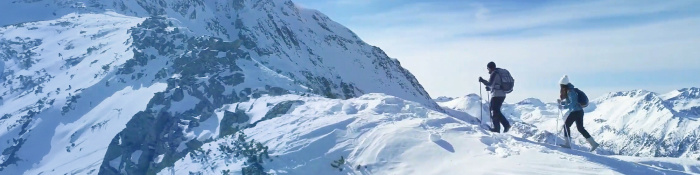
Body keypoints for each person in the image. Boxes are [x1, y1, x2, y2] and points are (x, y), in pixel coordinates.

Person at [557, 75, 600, 151]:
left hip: (575, 112)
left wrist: (563, 107)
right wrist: (562, 103)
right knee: (580, 128)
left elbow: (572, 104)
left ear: (563, 85)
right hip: (579, 112)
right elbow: (569, 102)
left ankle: (567, 144)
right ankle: (593, 144)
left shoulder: (571, 92)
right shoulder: (570, 90)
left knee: (566, 126)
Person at [479, 62, 511, 133]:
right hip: (502, 94)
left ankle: (498, 128)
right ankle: (504, 126)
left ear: (490, 67)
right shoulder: (499, 72)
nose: (488, 71)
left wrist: (482, 80)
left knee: (494, 111)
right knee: (496, 110)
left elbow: (490, 83)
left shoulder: (494, 73)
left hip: (496, 95)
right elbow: (496, 84)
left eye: (488, 68)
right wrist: (490, 89)